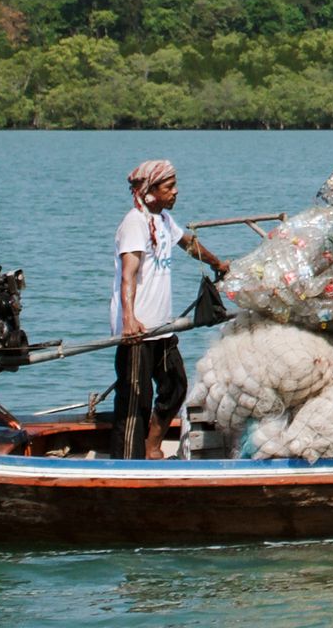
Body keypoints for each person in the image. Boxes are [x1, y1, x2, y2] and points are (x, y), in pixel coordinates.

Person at [112, 159, 230, 459]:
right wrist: (129, 319)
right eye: (169, 187)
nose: (175, 192)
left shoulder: (162, 220)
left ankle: (151, 446)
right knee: (135, 399)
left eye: (174, 185)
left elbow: (189, 244)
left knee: (176, 385)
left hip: (161, 326)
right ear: (150, 192)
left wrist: (217, 264)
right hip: (137, 330)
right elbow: (129, 274)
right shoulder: (135, 224)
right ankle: (128, 462)